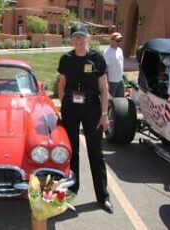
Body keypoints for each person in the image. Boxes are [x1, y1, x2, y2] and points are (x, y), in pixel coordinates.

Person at [57, 23, 113, 213]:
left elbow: (104, 89)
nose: (78, 40)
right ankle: (71, 192)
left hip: (92, 108)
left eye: (81, 37)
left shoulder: (97, 58)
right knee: (71, 152)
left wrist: (104, 115)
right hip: (71, 108)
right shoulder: (66, 59)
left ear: (88, 38)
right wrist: (63, 107)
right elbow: (61, 85)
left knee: (96, 153)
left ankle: (102, 196)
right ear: (71, 39)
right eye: (75, 37)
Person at [103, 32, 125, 97]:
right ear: (111, 41)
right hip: (112, 81)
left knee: (120, 100)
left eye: (120, 41)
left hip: (120, 80)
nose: (119, 42)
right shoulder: (107, 52)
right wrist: (107, 83)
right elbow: (104, 69)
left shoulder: (120, 50)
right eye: (117, 41)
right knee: (111, 101)